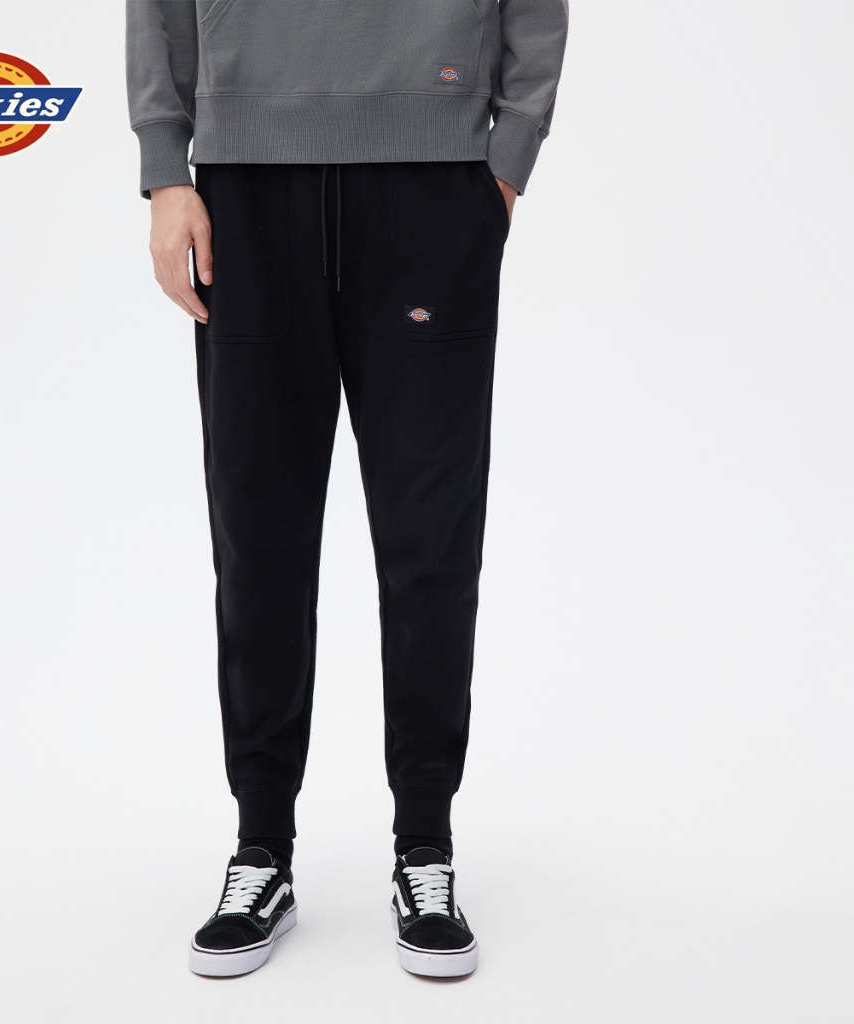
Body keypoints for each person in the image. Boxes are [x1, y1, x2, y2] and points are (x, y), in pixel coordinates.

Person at [126, 0, 568, 978]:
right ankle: (261, 848)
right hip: (244, 189)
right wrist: (165, 168)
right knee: (257, 539)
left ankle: (425, 845)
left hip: (433, 185)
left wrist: (506, 159)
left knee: (430, 541)